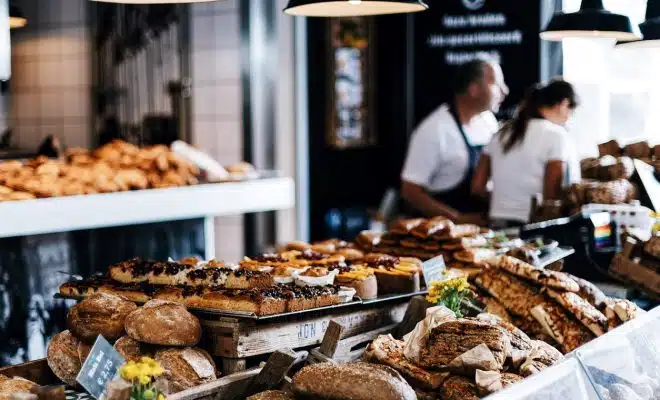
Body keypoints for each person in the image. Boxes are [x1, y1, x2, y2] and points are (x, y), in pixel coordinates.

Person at [400, 57, 508, 225]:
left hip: (483, 228)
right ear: (473, 89)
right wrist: (457, 219)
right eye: (496, 84)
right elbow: (410, 191)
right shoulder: (434, 130)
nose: (505, 91)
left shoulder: (488, 121)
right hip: (443, 234)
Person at [471, 78, 580, 227]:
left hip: (496, 224)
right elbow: (551, 197)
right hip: (531, 227)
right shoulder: (556, 135)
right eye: (571, 112)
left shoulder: (501, 132)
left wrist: (506, 203)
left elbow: (477, 187)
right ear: (563, 104)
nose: (569, 118)